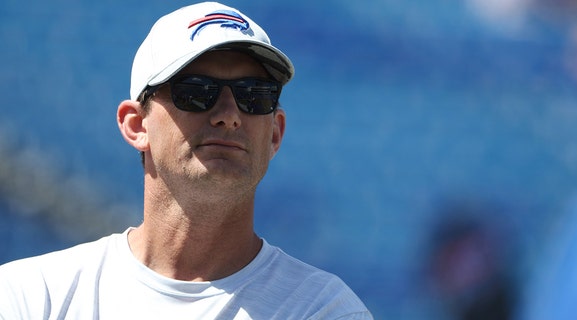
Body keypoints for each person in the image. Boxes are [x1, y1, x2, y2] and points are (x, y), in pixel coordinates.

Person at [0, 2, 372, 319]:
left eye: (254, 95)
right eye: (196, 92)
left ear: (274, 134)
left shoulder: (322, 310)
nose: (229, 114)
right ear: (136, 125)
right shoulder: (32, 297)